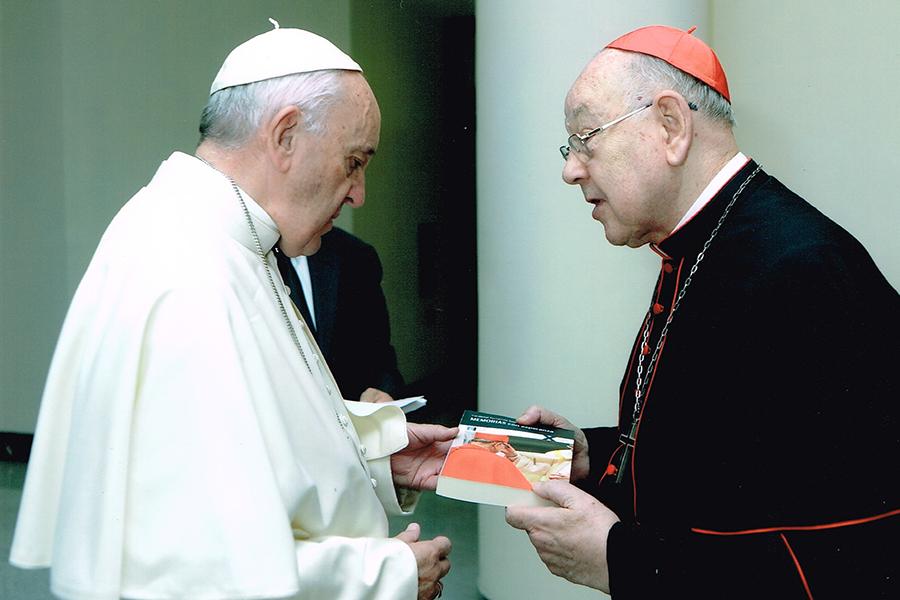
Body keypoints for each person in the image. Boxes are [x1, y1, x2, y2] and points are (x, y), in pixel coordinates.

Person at [10, 24, 456, 600]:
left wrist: (374, 451)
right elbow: (196, 571)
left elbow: (256, 437)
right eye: (354, 161)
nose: (359, 192)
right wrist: (385, 577)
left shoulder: (223, 238)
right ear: (286, 134)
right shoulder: (185, 271)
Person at [505, 25, 899, 599]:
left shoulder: (803, 270)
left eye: (585, 138)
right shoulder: (703, 245)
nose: (571, 170)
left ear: (670, 125)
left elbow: (857, 550)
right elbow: (727, 458)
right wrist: (594, 455)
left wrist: (621, 559)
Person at [274, 225, 405, 403]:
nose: (356, 198)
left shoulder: (355, 254)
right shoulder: (236, 258)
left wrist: (383, 391)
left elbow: (379, 352)